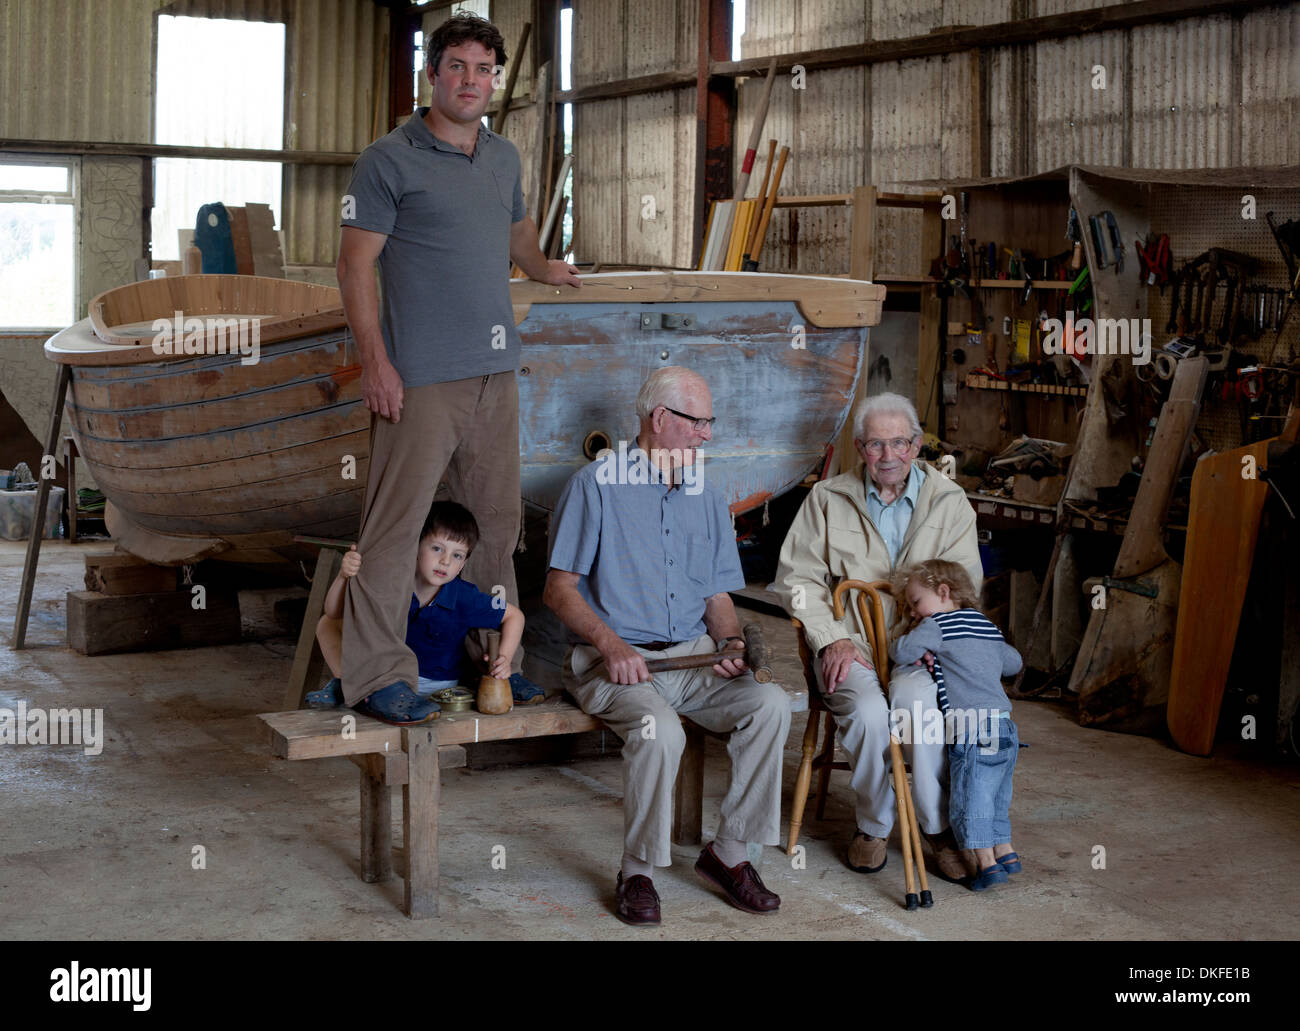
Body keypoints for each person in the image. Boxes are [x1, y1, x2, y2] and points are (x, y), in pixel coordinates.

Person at [336, 12, 580, 725]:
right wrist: (375, 363)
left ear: (493, 80)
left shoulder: (502, 157)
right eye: (457, 67)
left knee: (496, 526)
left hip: (495, 372)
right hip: (417, 377)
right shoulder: (387, 160)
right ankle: (380, 673)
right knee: (394, 525)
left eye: (484, 70)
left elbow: (516, 230)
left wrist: (541, 267)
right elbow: (354, 265)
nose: (471, 81)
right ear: (432, 74)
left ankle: (489, 662)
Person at [543, 367, 791, 926]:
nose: (708, 434)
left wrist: (727, 640)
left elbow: (715, 591)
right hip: (614, 663)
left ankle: (729, 854)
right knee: (661, 730)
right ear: (661, 420)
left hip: (692, 656)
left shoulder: (705, 491)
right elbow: (558, 591)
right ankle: (638, 871)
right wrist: (611, 645)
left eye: (709, 423)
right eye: (699, 422)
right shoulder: (597, 485)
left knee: (770, 706)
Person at [773, 391, 982, 882]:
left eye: (898, 444)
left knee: (920, 709)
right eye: (874, 445)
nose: (887, 457)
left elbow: (967, 586)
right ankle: (873, 825)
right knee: (868, 713)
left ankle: (935, 828)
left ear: (915, 445)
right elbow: (796, 581)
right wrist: (829, 637)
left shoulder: (949, 502)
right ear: (860, 447)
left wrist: (941, 641)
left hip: (920, 646)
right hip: (854, 644)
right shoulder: (828, 498)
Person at [310, 501, 526, 719]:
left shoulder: (464, 596)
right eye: (437, 548)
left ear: (463, 564)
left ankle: (359, 692)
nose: (445, 561)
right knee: (326, 624)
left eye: (457, 555)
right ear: (416, 546)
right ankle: (345, 681)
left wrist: (505, 658)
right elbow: (333, 613)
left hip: (436, 688)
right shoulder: (393, 584)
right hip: (387, 681)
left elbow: (514, 616)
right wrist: (343, 576)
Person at [890, 559, 1023, 891]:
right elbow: (1014, 663)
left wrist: (910, 636)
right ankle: (1006, 852)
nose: (914, 612)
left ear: (944, 592)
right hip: (1005, 727)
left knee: (969, 799)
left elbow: (901, 652)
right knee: (995, 795)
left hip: (971, 728)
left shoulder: (937, 627)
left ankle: (988, 865)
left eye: (916, 602)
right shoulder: (985, 625)